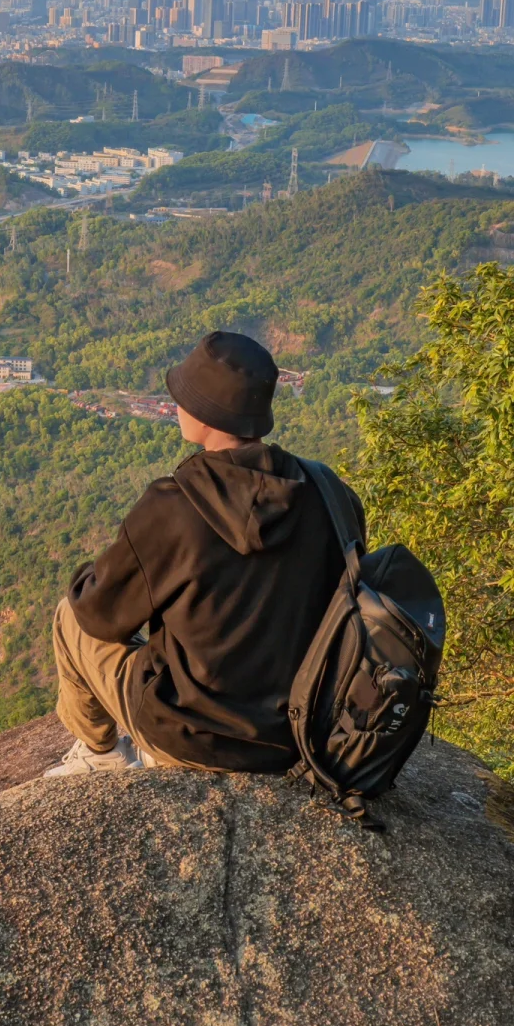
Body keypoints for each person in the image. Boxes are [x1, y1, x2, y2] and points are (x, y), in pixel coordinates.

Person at [45, 330, 365, 777]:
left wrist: (91, 575)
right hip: (296, 736)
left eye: (182, 395)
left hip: (189, 733)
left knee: (68, 616)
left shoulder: (173, 507)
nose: (175, 403)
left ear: (205, 414)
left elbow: (98, 615)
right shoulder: (332, 494)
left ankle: (99, 757)